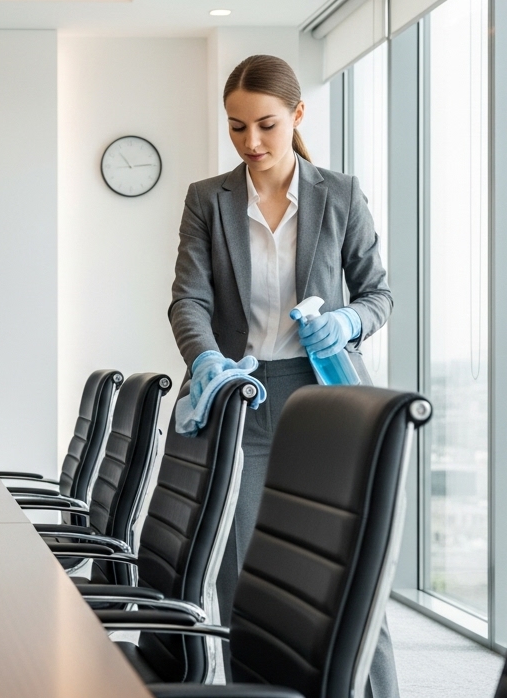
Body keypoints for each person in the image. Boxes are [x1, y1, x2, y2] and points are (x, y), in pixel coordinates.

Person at [168, 55, 397, 695]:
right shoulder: (207, 200)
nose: (251, 143)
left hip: (321, 400)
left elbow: (377, 293)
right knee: (242, 579)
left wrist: (348, 322)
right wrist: (205, 358)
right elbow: (189, 300)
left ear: (296, 115)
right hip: (239, 397)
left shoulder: (341, 194)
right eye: (236, 128)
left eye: (265, 125)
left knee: (348, 575)